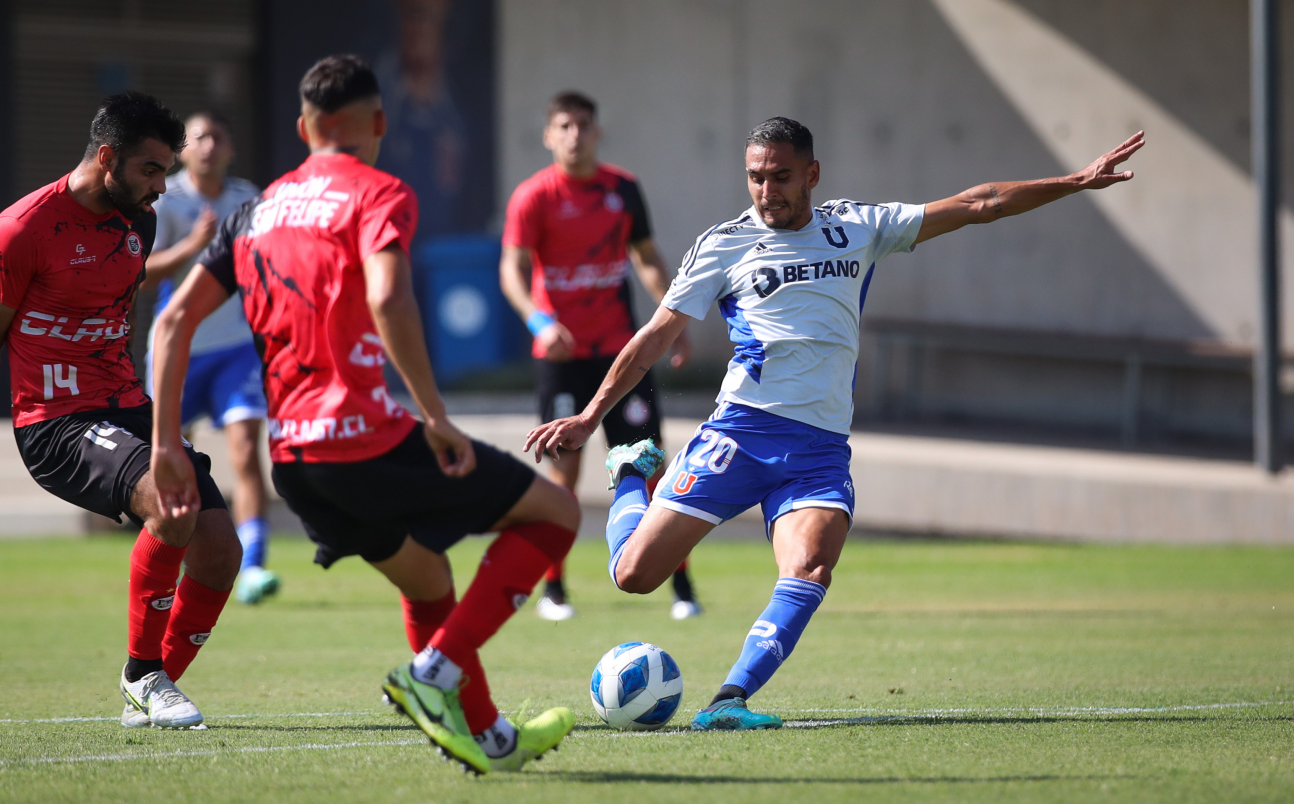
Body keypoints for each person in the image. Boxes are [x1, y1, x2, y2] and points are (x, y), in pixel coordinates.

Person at [526, 117, 1145, 730]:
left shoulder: (858, 226)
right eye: (756, 178)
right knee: (633, 576)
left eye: (781, 177)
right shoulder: (724, 244)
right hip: (739, 434)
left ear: (812, 174)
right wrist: (590, 417)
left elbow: (980, 203)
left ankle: (729, 700)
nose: (767, 191)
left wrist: (1073, 181)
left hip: (819, 449)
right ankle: (631, 474)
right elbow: (652, 340)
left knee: (811, 568)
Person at [150, 55, 580, 774]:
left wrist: (167, 445)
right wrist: (435, 416)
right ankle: (433, 671)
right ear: (377, 123)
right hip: (362, 442)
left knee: (428, 580)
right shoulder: (379, 192)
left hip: (293, 461)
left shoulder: (251, 212)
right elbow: (388, 298)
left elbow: (169, 327)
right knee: (556, 515)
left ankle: (492, 737)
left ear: (303, 127)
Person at [0, 92, 242, 731]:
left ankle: (152, 686)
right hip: (55, 422)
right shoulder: (17, 231)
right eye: (150, 170)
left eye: (165, 171)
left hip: (127, 406)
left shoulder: (140, 218)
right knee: (170, 501)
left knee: (219, 550)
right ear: (108, 158)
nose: (162, 187)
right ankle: (143, 678)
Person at [499, 90, 702, 621]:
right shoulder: (533, 196)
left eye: (583, 125)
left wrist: (671, 318)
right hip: (561, 357)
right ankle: (555, 589)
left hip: (622, 355)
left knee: (649, 466)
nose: (574, 135)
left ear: (597, 131)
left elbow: (648, 258)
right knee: (563, 475)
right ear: (548, 135)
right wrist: (540, 321)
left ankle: (681, 590)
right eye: (563, 126)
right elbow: (512, 270)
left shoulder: (622, 189)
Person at [143, 110, 280, 605]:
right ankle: (172, 560)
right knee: (174, 459)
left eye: (218, 137)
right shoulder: (165, 198)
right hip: (178, 347)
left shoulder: (250, 199)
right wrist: (197, 246)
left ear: (231, 149)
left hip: (237, 351)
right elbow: (141, 273)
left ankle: (256, 565)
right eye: (199, 137)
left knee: (245, 449)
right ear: (183, 150)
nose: (208, 146)